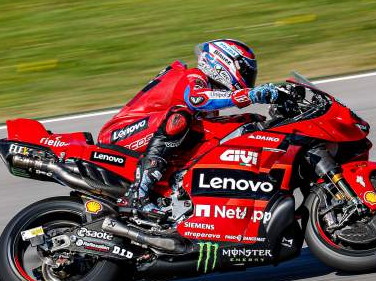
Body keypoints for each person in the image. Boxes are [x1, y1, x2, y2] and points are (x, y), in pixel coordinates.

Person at [96, 39, 282, 215]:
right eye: (247, 72)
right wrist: (249, 95)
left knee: (239, 123)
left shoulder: (210, 91)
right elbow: (198, 99)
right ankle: (138, 194)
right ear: (223, 63)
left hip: (148, 133)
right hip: (119, 133)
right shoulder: (193, 77)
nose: (249, 79)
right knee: (179, 118)